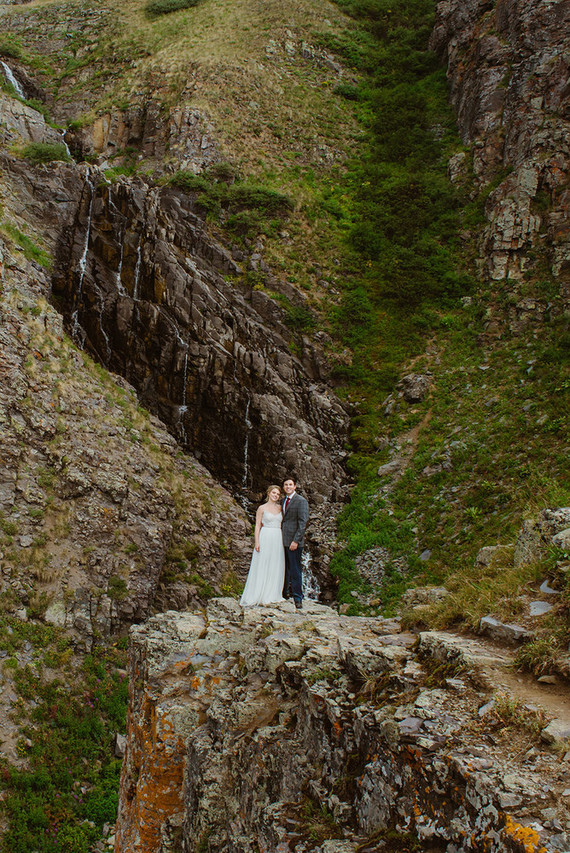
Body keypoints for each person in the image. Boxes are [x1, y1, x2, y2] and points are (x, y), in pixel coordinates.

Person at [240, 485, 286, 607]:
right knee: (262, 563)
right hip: (265, 536)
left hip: (277, 537)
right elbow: (257, 526)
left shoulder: (281, 508)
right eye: (274, 493)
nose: (276, 495)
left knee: (275, 564)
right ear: (268, 493)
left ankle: (272, 594)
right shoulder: (261, 508)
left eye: (278, 494)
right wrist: (257, 542)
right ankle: (258, 593)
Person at [281, 476, 309, 610]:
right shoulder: (282, 501)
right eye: (286, 485)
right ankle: (284, 594)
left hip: (293, 542)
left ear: (295, 487)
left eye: (290, 484)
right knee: (283, 569)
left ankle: (298, 598)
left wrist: (296, 541)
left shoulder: (301, 501)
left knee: (295, 569)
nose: (288, 487)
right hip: (281, 541)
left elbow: (303, 523)